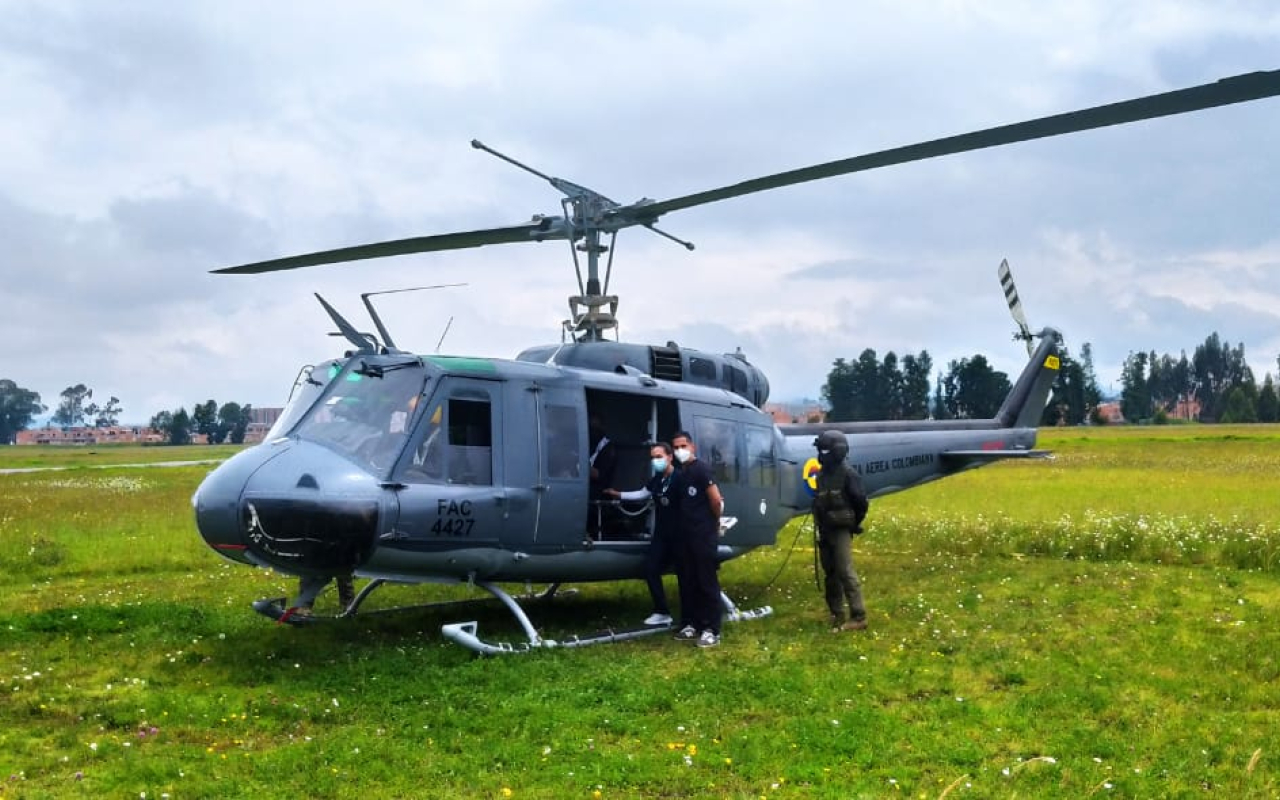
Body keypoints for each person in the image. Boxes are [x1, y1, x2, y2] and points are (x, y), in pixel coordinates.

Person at [603, 442, 681, 626]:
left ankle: (693, 613)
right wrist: (618, 494)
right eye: (653, 458)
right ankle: (662, 611)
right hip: (662, 535)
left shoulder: (681, 479)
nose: (656, 461)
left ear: (670, 457)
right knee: (651, 569)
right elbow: (641, 494)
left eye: (659, 457)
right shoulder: (657, 479)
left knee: (685, 573)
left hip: (681, 535)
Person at [669, 430, 724, 648]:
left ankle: (712, 629)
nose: (680, 450)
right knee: (687, 581)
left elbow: (715, 499)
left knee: (706, 581)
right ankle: (691, 623)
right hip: (685, 536)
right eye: (676, 447)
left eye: (683, 446)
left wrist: (713, 522)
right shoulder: (680, 474)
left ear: (692, 447)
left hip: (702, 535)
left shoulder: (701, 469)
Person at [811, 430, 870, 632]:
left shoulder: (849, 475)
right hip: (825, 529)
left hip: (841, 529)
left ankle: (859, 616)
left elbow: (861, 503)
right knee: (830, 573)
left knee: (845, 570)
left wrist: (852, 523)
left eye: (825, 450)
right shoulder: (821, 476)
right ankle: (836, 613)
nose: (821, 454)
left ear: (837, 452)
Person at [586, 413, 618, 535]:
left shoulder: (609, 448)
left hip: (600, 492)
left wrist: (576, 466)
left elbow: (599, 475)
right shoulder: (593, 446)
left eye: (594, 428)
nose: (592, 431)